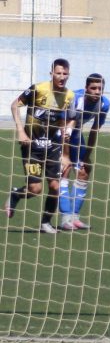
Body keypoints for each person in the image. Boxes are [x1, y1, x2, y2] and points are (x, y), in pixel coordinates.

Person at [6, 58, 75, 233]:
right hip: (32, 146)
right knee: (35, 189)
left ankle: (46, 222)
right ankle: (16, 194)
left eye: (65, 74)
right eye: (58, 73)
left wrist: (67, 130)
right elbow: (15, 105)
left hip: (52, 147)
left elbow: (70, 118)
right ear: (51, 73)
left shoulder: (69, 96)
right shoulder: (37, 89)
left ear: (69, 75)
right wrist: (21, 131)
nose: (62, 77)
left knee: (55, 186)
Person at [59, 73, 110, 231]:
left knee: (84, 170)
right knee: (64, 169)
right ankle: (65, 218)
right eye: (93, 88)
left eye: (100, 89)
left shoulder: (104, 104)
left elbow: (95, 130)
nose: (96, 91)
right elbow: (64, 127)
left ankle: (74, 217)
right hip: (58, 133)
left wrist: (87, 156)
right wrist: (65, 156)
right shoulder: (75, 99)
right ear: (86, 88)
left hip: (75, 134)